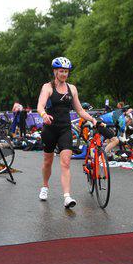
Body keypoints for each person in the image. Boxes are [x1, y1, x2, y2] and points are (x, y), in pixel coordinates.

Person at [37, 57, 97, 208]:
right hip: (50, 129)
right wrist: (44, 115)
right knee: (48, 161)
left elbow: (80, 110)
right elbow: (40, 106)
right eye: (61, 71)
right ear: (55, 71)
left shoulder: (72, 89)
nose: (64, 74)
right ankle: (45, 186)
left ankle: (67, 197)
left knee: (65, 162)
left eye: (66, 71)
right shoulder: (48, 87)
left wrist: (92, 119)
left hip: (65, 129)